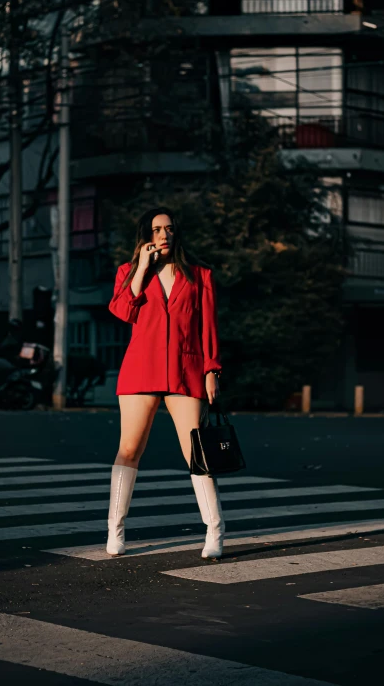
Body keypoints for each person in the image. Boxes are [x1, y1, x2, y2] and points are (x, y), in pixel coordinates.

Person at [107, 207, 224, 559]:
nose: (164, 234)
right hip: (140, 370)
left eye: (170, 228)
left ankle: (215, 531)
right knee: (128, 450)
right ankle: (115, 530)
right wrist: (142, 268)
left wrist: (212, 370)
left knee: (197, 454)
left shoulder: (200, 274)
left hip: (186, 370)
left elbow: (208, 327)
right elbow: (122, 311)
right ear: (145, 235)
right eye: (157, 229)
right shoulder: (128, 272)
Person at [0, 318, 24, 390]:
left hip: (12, 364)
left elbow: (3, 349)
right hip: (10, 362)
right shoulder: (11, 337)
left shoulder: (15, 339)